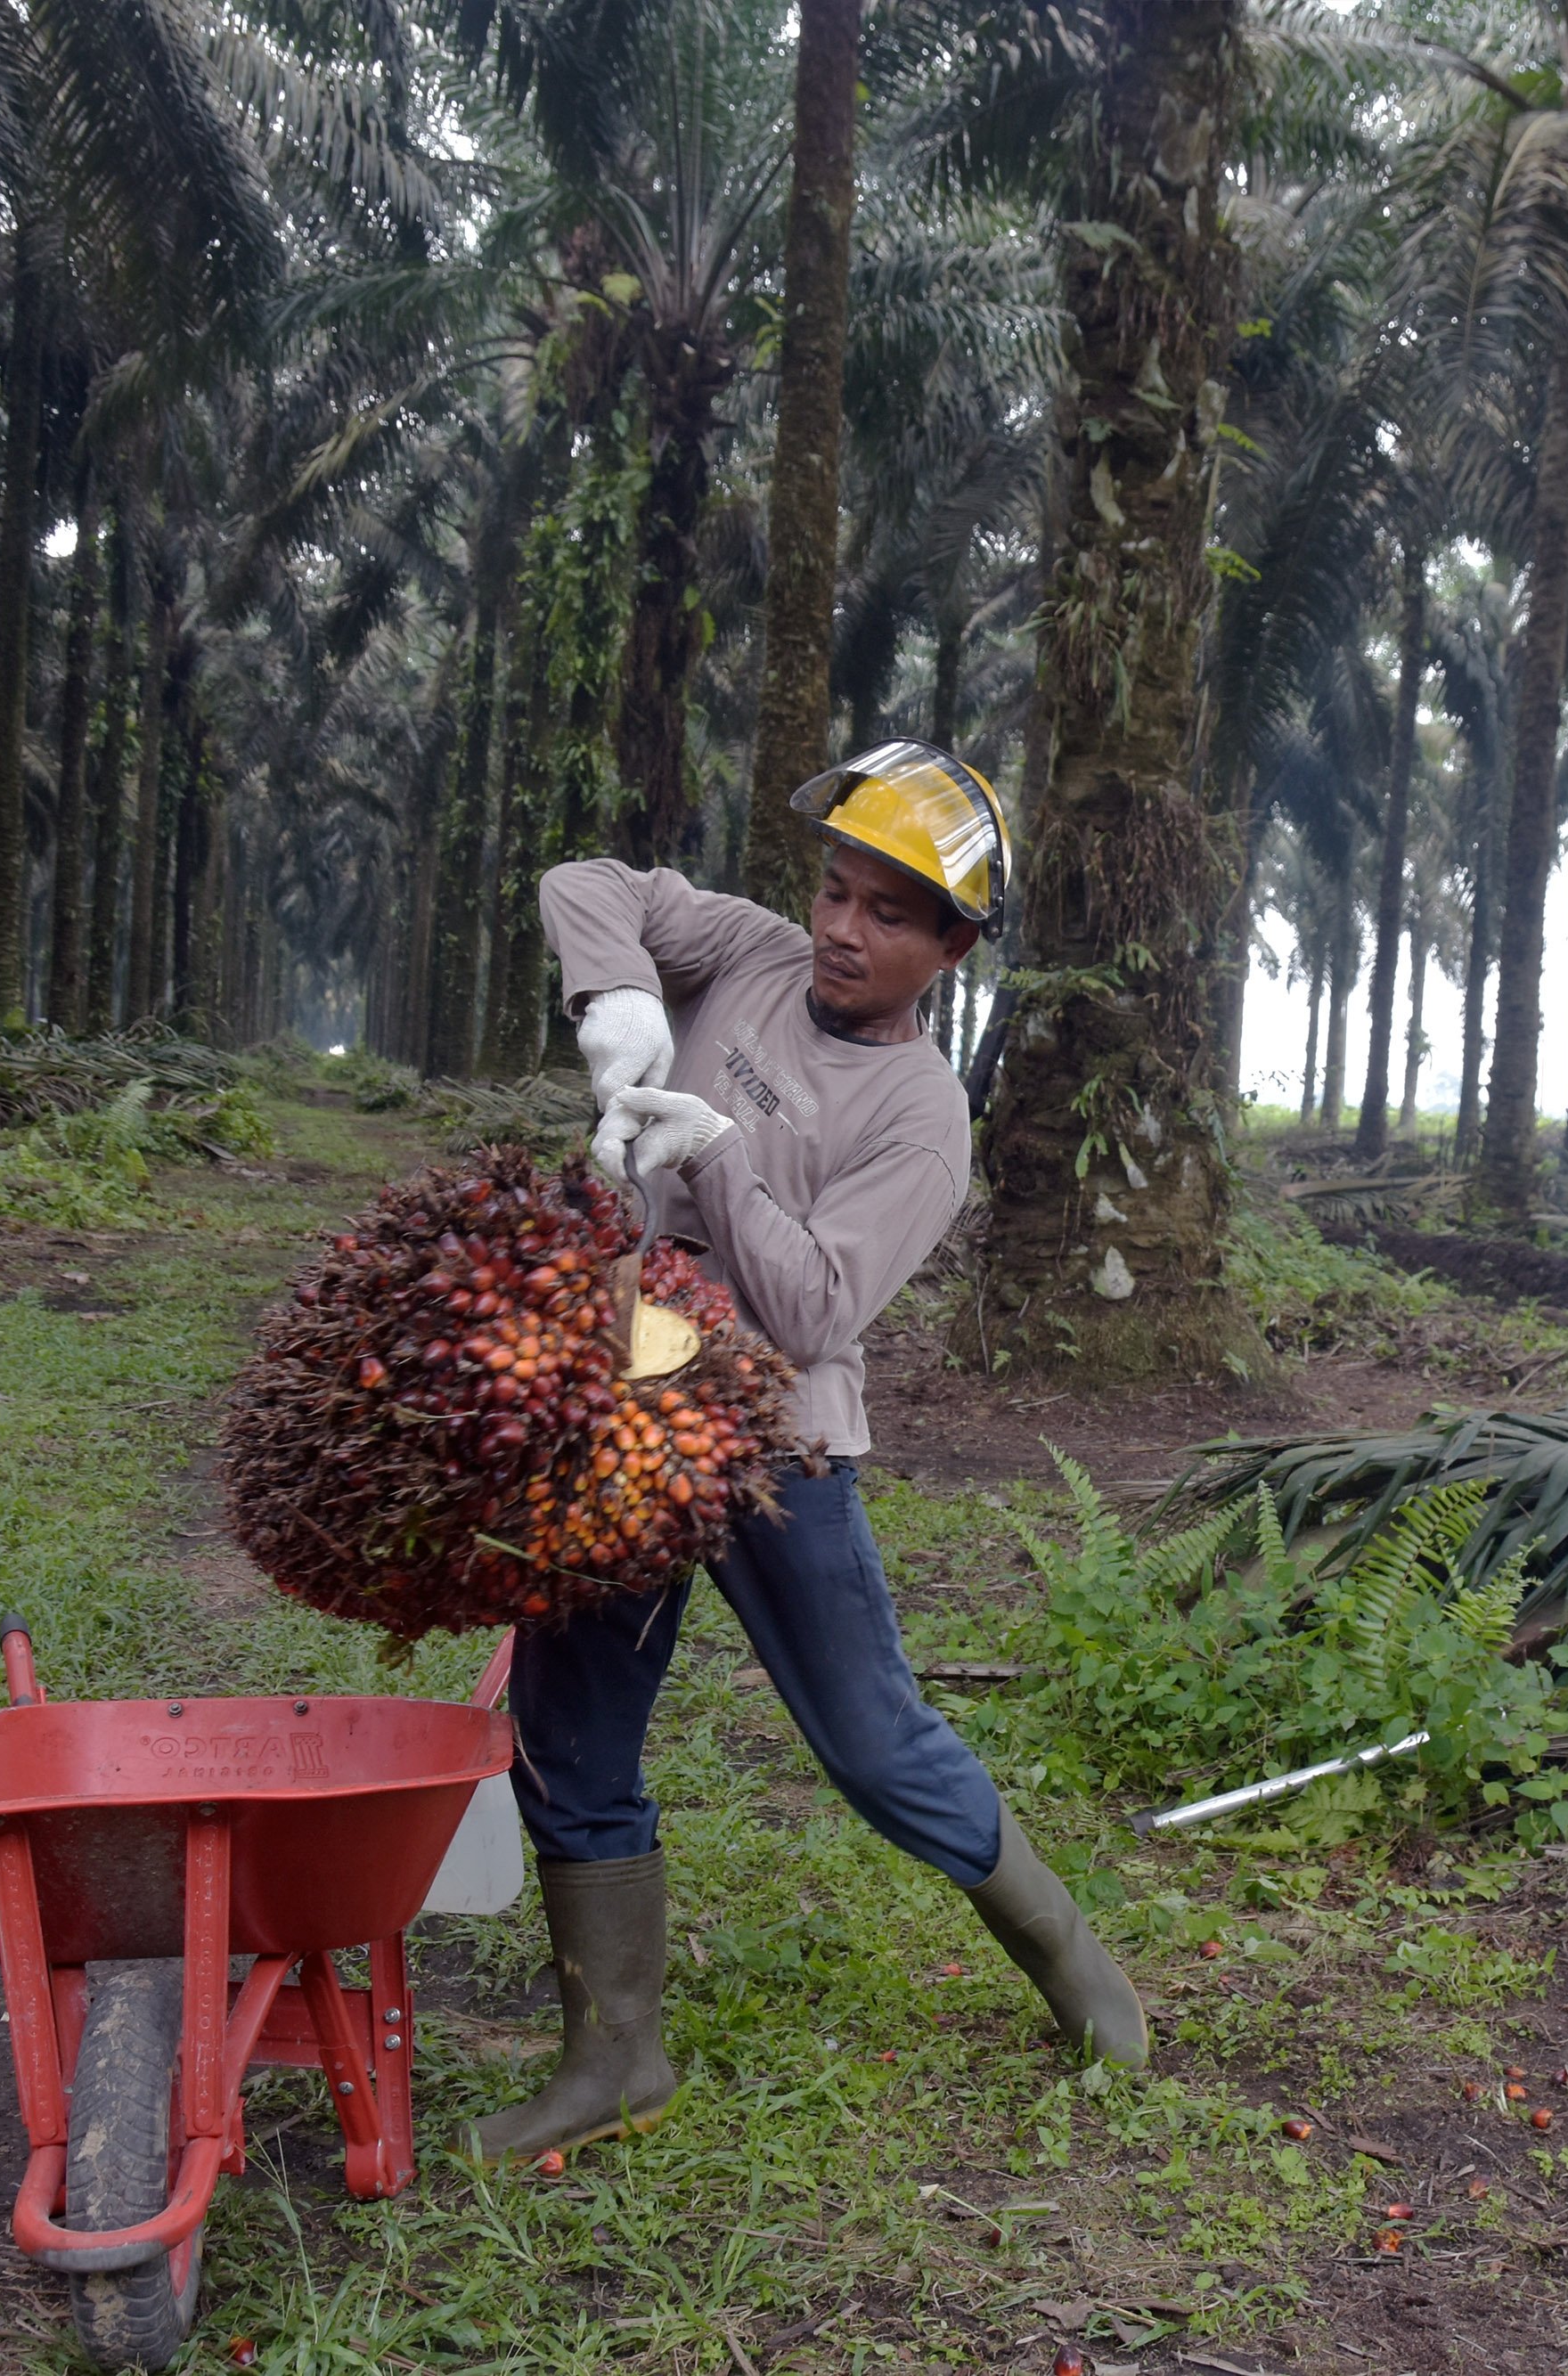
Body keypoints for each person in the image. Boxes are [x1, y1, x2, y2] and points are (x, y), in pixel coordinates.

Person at [469, 739, 1148, 2169]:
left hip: (780, 1443)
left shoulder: (923, 1119)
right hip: (630, 1404)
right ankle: (614, 2057)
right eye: (837, 891)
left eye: (891, 913)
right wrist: (623, 1005)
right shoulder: (756, 956)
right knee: (571, 1724)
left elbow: (817, 1310)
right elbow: (583, 881)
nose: (844, 929)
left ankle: (1086, 1981)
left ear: (951, 949)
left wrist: (712, 1145)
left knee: (875, 1743)